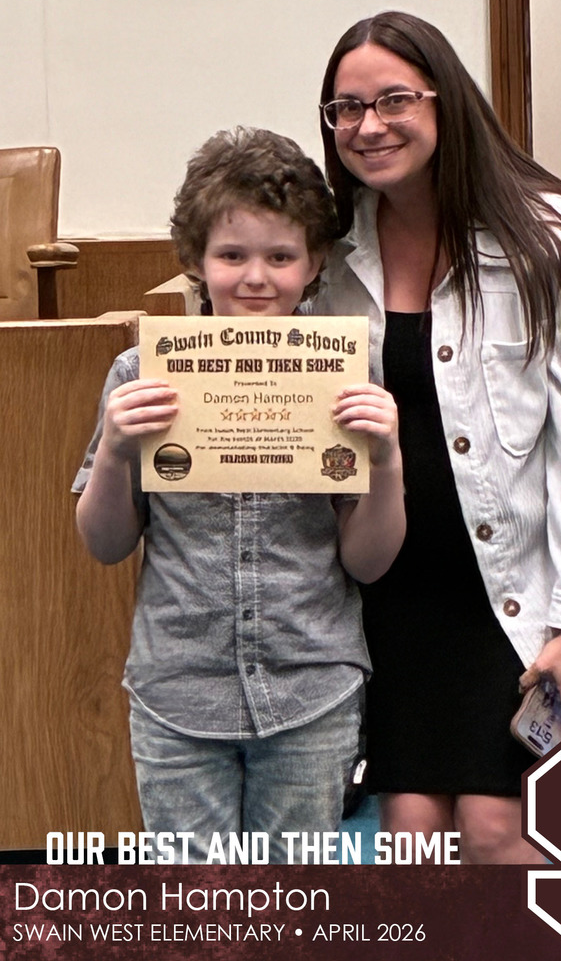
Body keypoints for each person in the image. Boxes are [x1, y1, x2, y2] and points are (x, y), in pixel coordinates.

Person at [315, 11, 561, 863]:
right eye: (344, 108)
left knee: (496, 830)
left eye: (394, 98)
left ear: (447, 102)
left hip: (537, 575)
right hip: (401, 587)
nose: (368, 125)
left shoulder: (549, 239)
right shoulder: (327, 253)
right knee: (414, 835)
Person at [73, 126, 405, 863]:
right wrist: (117, 451)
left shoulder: (347, 376)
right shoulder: (141, 375)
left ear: (314, 263)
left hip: (310, 686)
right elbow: (103, 544)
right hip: (179, 691)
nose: (256, 278)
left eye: (281, 257)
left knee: (291, 905)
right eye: (232, 256)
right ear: (195, 260)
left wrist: (386, 463)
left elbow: (369, 563)